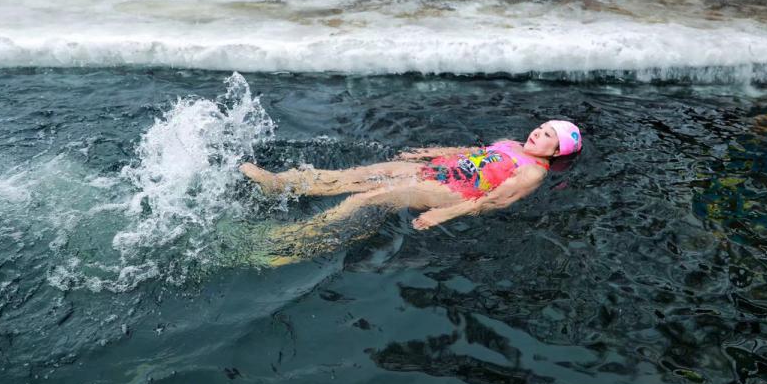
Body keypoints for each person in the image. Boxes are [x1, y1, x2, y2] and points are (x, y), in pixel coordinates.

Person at [240, 120, 582, 264]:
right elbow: (472, 152)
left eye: (548, 136)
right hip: (442, 170)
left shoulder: (533, 172)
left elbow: (496, 200)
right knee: (365, 174)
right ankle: (281, 184)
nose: (538, 133)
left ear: (556, 153)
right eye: (542, 127)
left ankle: (291, 243)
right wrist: (431, 153)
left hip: (456, 191)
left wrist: (445, 213)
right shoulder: (512, 144)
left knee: (371, 197)